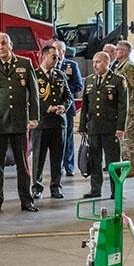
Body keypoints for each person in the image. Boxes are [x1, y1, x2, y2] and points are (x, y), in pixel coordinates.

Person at [0, 32, 40, 213]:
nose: (1, 47)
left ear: (10, 44)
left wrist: (34, 117)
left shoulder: (24, 63)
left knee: (23, 164)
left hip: (20, 121)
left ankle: (26, 200)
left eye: (4, 43)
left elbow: (34, 93)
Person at [77, 51, 128, 199]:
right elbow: (85, 106)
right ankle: (95, 189)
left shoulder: (118, 80)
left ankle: (116, 191)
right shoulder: (89, 80)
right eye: (93, 62)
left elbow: (122, 106)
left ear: (107, 62)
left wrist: (120, 128)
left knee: (113, 161)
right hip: (93, 127)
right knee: (94, 160)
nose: (95, 65)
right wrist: (82, 126)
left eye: (98, 62)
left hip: (110, 128)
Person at [30, 45, 73, 199]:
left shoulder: (60, 75)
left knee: (57, 158)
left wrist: (64, 106)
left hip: (58, 123)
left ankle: (56, 186)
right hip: (41, 123)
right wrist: (47, 108)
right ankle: (37, 187)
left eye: (58, 57)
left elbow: (68, 96)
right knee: (39, 157)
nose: (57, 60)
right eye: (54, 57)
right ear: (44, 56)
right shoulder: (35, 74)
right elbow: (31, 98)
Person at [112, 40, 134, 177]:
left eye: (118, 49)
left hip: (130, 108)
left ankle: (133, 167)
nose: (115, 52)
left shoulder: (129, 67)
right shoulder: (120, 66)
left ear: (125, 51)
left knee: (130, 139)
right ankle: (126, 165)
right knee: (124, 139)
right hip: (123, 108)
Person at [54, 40, 83, 176]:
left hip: (67, 106)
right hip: (52, 107)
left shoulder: (71, 65)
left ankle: (69, 166)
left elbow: (78, 85)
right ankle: (57, 166)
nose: (54, 53)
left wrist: (65, 91)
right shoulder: (50, 66)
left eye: (56, 49)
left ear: (63, 51)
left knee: (68, 137)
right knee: (55, 139)